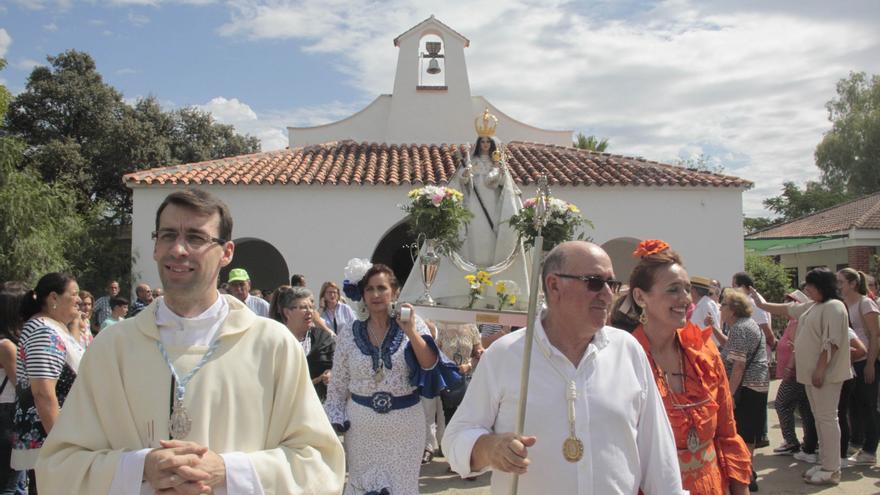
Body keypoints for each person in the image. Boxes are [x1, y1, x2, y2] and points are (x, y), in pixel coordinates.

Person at [35, 189, 345, 494]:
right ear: (156, 247)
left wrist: (227, 472)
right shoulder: (111, 348)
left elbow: (320, 465)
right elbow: (59, 467)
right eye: (168, 235)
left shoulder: (273, 346)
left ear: (226, 253)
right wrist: (140, 468)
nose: (178, 249)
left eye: (196, 238)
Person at [443, 241, 685, 494]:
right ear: (554, 285)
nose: (607, 294)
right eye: (594, 282)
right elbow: (455, 438)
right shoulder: (506, 354)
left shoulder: (627, 349)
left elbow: (657, 451)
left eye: (611, 284)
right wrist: (488, 448)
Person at [610, 240, 752, 494]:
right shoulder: (623, 360)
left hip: (711, 485)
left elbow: (727, 433)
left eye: (687, 289)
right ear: (641, 296)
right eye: (673, 290)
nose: (686, 299)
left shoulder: (704, 351)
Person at [324, 262, 459, 494]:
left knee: (402, 488)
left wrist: (410, 331)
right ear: (362, 294)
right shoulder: (348, 331)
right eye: (370, 289)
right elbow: (338, 383)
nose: (376, 294)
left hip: (406, 427)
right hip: (362, 428)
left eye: (382, 288)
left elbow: (430, 364)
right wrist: (334, 417)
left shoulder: (413, 324)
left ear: (394, 291)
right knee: (363, 486)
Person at [399, 109, 529, 311]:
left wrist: (498, 172)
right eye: (482, 142)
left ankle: (489, 287)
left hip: (492, 210)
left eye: (488, 142)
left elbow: (501, 185)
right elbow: (459, 184)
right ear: (478, 144)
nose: (485, 145)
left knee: (489, 244)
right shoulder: (471, 162)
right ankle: (464, 287)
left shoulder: (498, 165)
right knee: (473, 241)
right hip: (473, 210)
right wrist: (465, 175)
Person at [751, 268, 852, 486]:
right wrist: (760, 303)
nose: (806, 289)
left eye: (811, 285)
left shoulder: (834, 307)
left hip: (826, 375)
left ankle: (832, 469)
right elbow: (788, 309)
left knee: (827, 419)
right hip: (812, 375)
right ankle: (825, 463)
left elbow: (832, 342)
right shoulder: (815, 305)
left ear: (822, 286)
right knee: (820, 419)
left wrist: (820, 369)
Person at [12, 273, 83, 490]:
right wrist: (61, 445)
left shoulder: (54, 327)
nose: (79, 300)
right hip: (50, 443)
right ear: (54, 297)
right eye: (74, 294)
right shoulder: (43, 330)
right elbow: (43, 393)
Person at [719, 290, 768, 492]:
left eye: (723, 305)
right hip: (754, 386)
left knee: (745, 434)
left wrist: (728, 395)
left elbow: (738, 366)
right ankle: (748, 473)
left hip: (747, 387)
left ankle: (745, 477)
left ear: (732, 310)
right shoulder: (745, 325)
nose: (720, 309)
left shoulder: (740, 328)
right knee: (748, 434)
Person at [837, 268, 880, 466]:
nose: (838, 286)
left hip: (866, 361)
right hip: (853, 363)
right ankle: (858, 442)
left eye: (841, 282)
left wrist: (871, 363)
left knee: (868, 406)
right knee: (854, 405)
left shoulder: (865, 303)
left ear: (853, 284)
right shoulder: (846, 304)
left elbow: (875, 335)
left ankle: (870, 449)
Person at [269, 286, 336, 401]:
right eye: (303, 308)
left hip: (319, 403)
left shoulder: (323, 338)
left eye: (311, 307)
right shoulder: (275, 340)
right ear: (287, 312)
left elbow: (338, 365)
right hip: (284, 404)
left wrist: (331, 373)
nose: (310, 311)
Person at [772, 290, 812, 456]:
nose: (787, 304)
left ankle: (791, 441)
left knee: (781, 404)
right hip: (795, 372)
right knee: (803, 407)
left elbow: (796, 349)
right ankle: (808, 442)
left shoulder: (798, 322)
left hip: (795, 372)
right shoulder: (792, 322)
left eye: (792, 301)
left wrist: (789, 368)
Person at [0, 282, 28, 494]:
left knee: (17, 483)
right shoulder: (6, 346)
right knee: (10, 484)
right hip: (8, 415)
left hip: (10, 414)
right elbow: (21, 384)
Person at [732, 272, 776, 349]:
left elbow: (765, 328)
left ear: (742, 287)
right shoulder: (751, 299)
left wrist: (773, 344)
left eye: (734, 286)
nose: (732, 290)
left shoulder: (752, 302)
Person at [689, 276, 723, 346]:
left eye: (690, 289)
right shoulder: (701, 304)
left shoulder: (707, 304)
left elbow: (715, 335)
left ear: (694, 291)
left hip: (706, 350)